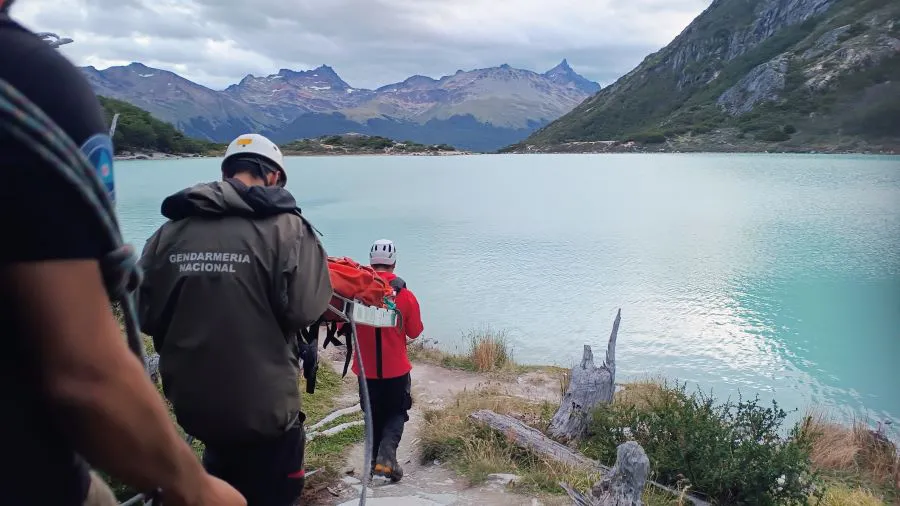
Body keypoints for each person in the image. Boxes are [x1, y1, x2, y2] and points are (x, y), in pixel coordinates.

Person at [0, 3, 246, 506]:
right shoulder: (31, 83)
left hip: (192, 398)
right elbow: (85, 375)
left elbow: (150, 308)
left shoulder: (173, 229)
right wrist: (194, 488)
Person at [137, 133, 333, 506]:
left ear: (227, 172)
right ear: (274, 177)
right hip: (266, 413)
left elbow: (144, 315)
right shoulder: (289, 230)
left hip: (197, 409)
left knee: (219, 485)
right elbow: (305, 310)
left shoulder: (170, 232)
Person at [353, 239, 424, 482]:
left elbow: (342, 324)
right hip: (396, 369)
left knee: (372, 414)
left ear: (371, 262)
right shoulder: (405, 295)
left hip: (365, 369)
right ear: (393, 263)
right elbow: (415, 331)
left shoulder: (357, 292)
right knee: (397, 412)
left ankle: (376, 463)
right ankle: (386, 456)